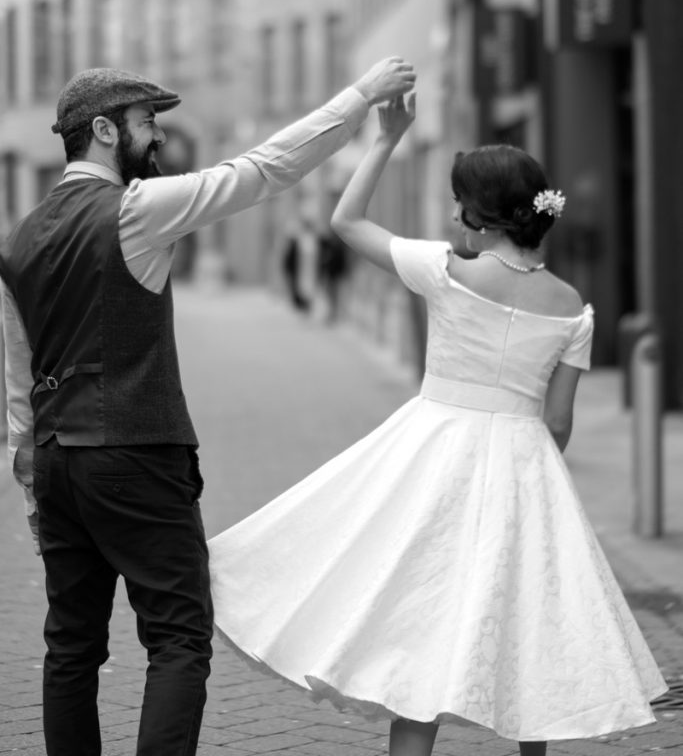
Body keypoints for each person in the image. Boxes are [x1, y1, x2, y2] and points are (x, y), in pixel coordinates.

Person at [208, 93, 667, 756]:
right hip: (524, 466)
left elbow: (345, 221)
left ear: (480, 218)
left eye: (459, 203)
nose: (452, 214)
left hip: (432, 454)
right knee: (524, 636)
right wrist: (529, 462)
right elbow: (558, 420)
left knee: (415, 623)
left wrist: (387, 138)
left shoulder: (447, 271)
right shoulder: (572, 308)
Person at [0, 55, 416, 756]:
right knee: (177, 637)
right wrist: (361, 96)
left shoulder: (17, 239)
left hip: (54, 461)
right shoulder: (135, 210)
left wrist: (28, 470)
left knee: (71, 646)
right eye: (145, 123)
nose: (158, 136)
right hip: (135, 449)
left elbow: (19, 371)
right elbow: (261, 171)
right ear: (103, 130)